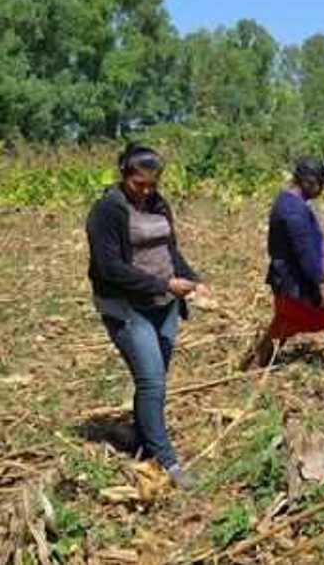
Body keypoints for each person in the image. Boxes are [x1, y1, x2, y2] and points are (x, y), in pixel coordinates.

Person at [86, 144, 206, 489]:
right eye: (140, 184)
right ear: (124, 175)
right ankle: (165, 459)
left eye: (152, 184)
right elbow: (109, 268)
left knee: (153, 381)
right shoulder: (107, 211)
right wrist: (164, 282)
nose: (147, 191)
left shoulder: (157, 204)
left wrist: (193, 279)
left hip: (164, 305)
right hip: (127, 307)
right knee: (152, 381)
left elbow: (170, 250)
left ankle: (141, 436)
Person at [253, 157, 324, 373]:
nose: (321, 191)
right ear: (309, 182)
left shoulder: (288, 202)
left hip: (286, 280)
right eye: (320, 184)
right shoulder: (293, 211)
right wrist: (320, 283)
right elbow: (305, 252)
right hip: (297, 282)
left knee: (283, 322)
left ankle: (255, 363)